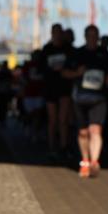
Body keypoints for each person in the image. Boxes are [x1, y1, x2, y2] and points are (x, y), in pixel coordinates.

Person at [65, 24, 108, 177]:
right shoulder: (77, 54)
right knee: (83, 132)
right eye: (89, 35)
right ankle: (85, 160)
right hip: (80, 97)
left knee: (95, 130)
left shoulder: (104, 54)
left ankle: (94, 161)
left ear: (98, 37)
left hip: (99, 98)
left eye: (95, 35)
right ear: (85, 37)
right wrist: (76, 73)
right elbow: (64, 73)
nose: (92, 38)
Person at [40, 23, 75, 161]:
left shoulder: (68, 49)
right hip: (50, 88)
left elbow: (73, 66)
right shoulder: (47, 49)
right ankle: (51, 147)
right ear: (51, 33)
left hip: (64, 88)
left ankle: (63, 146)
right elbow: (41, 68)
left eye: (59, 32)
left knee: (63, 120)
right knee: (52, 120)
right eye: (55, 32)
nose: (57, 35)